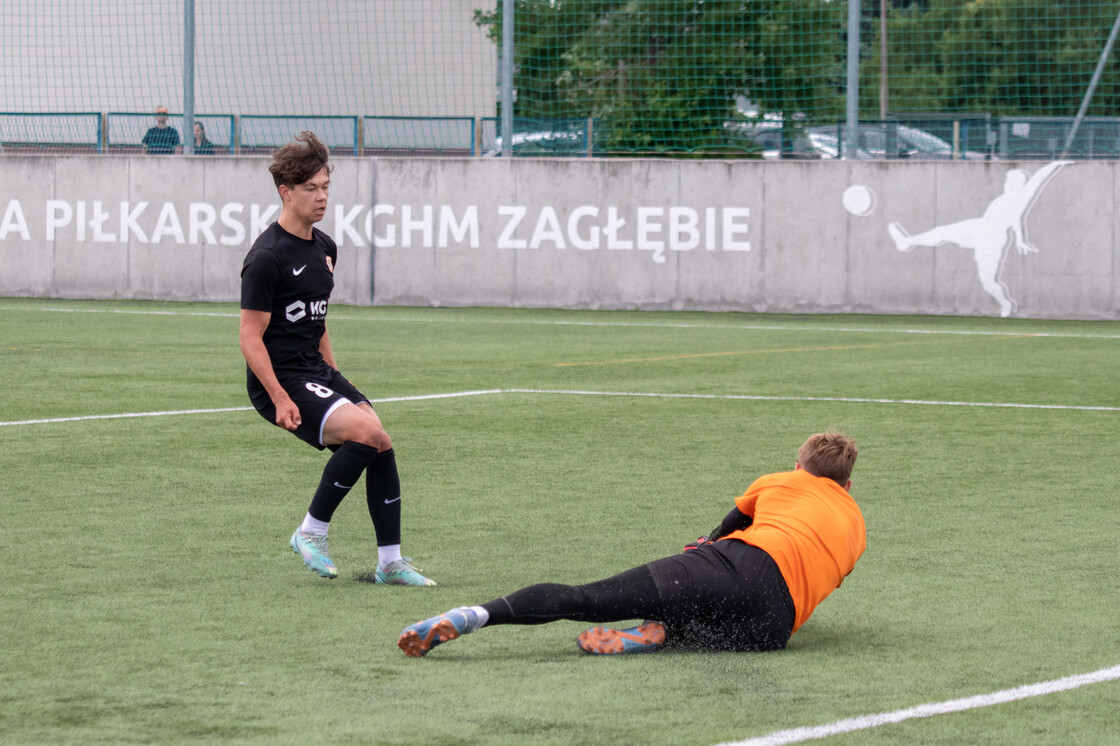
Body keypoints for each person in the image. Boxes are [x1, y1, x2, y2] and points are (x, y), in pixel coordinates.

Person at [398, 431, 864, 657]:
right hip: (773, 625)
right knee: (712, 629)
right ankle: (661, 632)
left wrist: (700, 549)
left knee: (587, 599)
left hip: (737, 561)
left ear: (800, 467)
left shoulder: (780, 481)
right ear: (846, 485)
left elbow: (720, 532)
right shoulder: (857, 527)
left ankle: (474, 615)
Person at [239, 131, 435, 586]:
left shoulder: (325, 247)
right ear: (285, 192)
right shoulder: (265, 257)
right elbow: (250, 339)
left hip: (315, 370)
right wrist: (280, 396)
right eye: (311, 188)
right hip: (281, 378)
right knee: (366, 434)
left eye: (326, 186)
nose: (322, 196)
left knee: (379, 438)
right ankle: (310, 532)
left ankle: (390, 563)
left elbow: (317, 319)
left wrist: (336, 376)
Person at [887, 161, 1069, 318]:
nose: (1006, 184)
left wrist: (1054, 164)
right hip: (980, 227)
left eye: (1010, 181)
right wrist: (1020, 239)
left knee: (988, 281)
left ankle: (1005, 303)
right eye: (1007, 181)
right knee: (942, 231)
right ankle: (907, 242)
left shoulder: (1022, 196)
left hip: (993, 237)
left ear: (1018, 184)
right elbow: (1016, 220)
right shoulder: (1006, 198)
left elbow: (1038, 180)